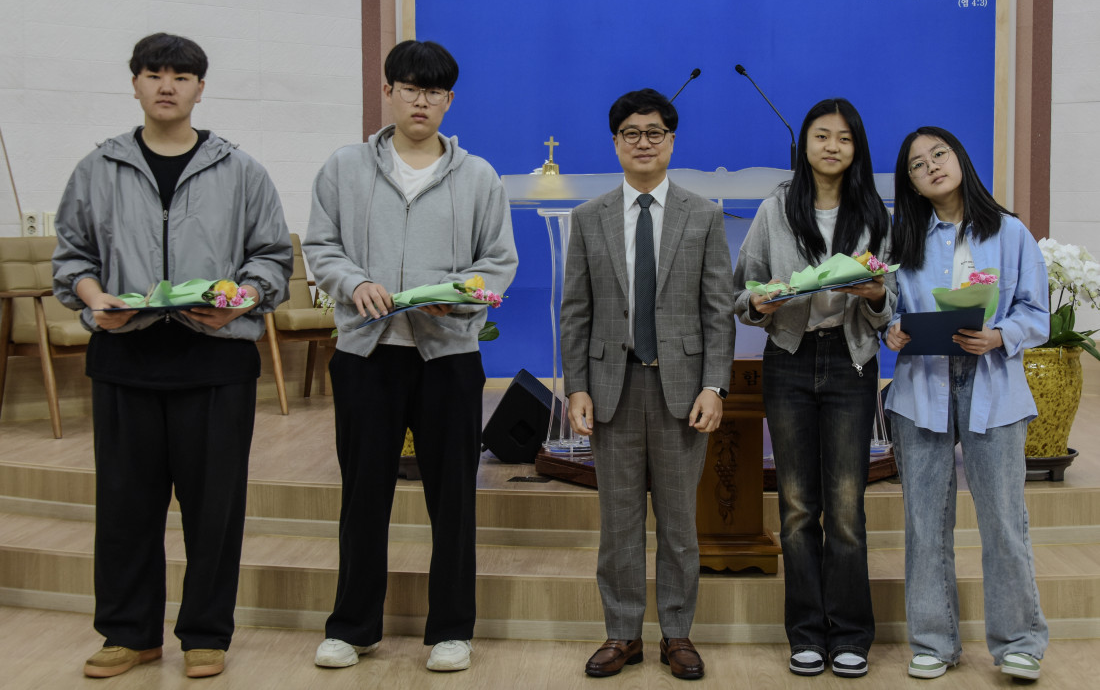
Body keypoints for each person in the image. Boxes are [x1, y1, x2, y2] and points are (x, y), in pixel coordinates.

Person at [52, 33, 293, 679]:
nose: (167, 85)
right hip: (124, 359)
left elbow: (272, 259)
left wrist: (240, 301)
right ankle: (128, 633)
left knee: (215, 510)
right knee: (124, 508)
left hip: (215, 363)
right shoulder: (98, 168)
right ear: (134, 83)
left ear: (200, 89)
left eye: (181, 76)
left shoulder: (240, 170)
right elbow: (71, 258)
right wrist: (96, 299)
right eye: (154, 73)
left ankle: (206, 634)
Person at [304, 40, 517, 673]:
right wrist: (353, 283)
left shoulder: (478, 176)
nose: (420, 101)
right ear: (388, 92)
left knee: (452, 498)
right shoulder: (344, 167)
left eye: (433, 91)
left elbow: (498, 260)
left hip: (446, 355)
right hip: (368, 353)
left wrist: (461, 296)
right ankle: (352, 627)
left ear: (449, 100)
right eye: (409, 88)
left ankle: (451, 629)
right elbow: (322, 245)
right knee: (362, 494)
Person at [560, 88, 735, 681]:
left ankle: (678, 634)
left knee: (680, 525)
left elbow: (717, 310)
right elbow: (575, 311)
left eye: (654, 132)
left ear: (672, 141)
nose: (643, 142)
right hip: (612, 387)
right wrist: (576, 387)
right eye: (631, 133)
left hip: (681, 391)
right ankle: (622, 633)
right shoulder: (590, 217)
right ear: (615, 142)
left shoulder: (703, 215)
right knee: (619, 523)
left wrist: (715, 385)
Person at [731, 98, 893, 678]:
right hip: (791, 359)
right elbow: (741, 290)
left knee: (846, 507)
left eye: (844, 138)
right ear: (804, 143)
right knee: (798, 506)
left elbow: (891, 299)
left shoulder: (873, 212)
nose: (832, 146)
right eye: (822, 135)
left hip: (851, 363)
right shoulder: (776, 208)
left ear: (857, 148)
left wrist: (876, 296)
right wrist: (759, 302)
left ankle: (849, 634)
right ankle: (804, 633)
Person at [884, 127, 1049, 681]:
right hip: (921, 388)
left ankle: (1019, 643)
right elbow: (887, 309)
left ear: (960, 160)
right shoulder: (903, 239)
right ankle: (934, 641)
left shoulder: (1010, 231)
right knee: (925, 523)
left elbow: (1036, 313)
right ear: (910, 183)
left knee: (1003, 520)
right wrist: (892, 330)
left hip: (993, 386)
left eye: (940, 154)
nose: (931, 166)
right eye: (917, 164)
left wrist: (1000, 335)